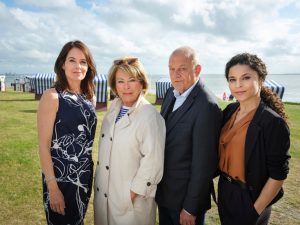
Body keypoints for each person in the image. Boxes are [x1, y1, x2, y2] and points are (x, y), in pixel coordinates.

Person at [218, 53, 291, 225]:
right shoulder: (230, 110)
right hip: (225, 190)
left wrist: (254, 211)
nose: (238, 85)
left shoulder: (273, 123)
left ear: (261, 79)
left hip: (251, 197)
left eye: (246, 78)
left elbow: (278, 175)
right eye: (232, 79)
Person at [94, 57, 166, 225]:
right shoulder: (114, 108)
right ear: (114, 85)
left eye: (132, 80)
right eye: (120, 81)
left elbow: (153, 162)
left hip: (130, 203)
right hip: (106, 195)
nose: (126, 86)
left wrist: (131, 194)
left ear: (141, 83)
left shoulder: (149, 115)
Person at [155, 46, 222, 225]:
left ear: (197, 69)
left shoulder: (207, 106)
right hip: (165, 194)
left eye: (182, 69)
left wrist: (191, 207)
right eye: (171, 69)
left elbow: (204, 164)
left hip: (185, 203)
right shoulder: (171, 93)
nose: (175, 74)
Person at [37, 40, 97, 225]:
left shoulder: (89, 98)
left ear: (88, 66)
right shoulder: (52, 96)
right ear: (62, 64)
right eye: (72, 60)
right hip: (61, 179)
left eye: (83, 61)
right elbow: (43, 146)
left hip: (84, 177)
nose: (78, 66)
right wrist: (53, 188)